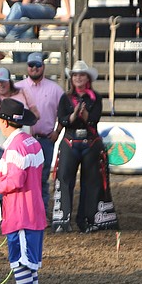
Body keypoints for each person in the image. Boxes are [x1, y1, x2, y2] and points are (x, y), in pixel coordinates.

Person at [0, 98, 48, 284]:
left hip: (20, 212)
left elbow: (16, 181)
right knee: (29, 263)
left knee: (20, 261)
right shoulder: (32, 143)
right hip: (34, 211)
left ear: (4, 122)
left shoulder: (14, 146)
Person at [52, 62, 119, 234]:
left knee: (91, 182)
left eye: (81, 75)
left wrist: (85, 115)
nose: (78, 78)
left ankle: (88, 219)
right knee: (65, 180)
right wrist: (74, 116)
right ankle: (62, 220)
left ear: (87, 78)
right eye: (75, 75)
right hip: (70, 141)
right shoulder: (65, 98)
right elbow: (62, 118)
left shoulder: (96, 97)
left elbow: (94, 120)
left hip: (90, 142)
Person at [17, 52, 63, 214]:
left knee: (42, 178)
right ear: (27, 67)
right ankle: (26, 212)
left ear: (43, 66)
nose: (34, 68)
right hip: (23, 140)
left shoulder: (55, 89)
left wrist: (57, 131)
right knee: (22, 177)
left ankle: (40, 213)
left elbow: (64, 112)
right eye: (31, 65)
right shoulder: (18, 87)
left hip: (45, 139)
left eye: (37, 65)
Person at [0, 67, 33, 173]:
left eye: (3, 81)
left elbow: (33, 113)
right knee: (1, 173)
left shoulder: (21, 92)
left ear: (9, 82)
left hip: (18, 140)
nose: (0, 85)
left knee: (18, 171)